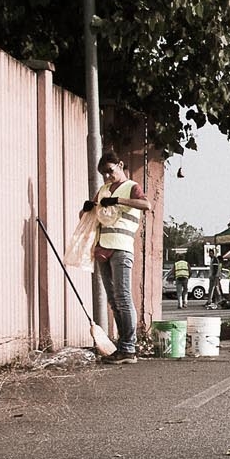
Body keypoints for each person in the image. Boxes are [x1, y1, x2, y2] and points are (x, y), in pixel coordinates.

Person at [84, 153, 151, 362]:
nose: (107, 176)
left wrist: (119, 200)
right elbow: (89, 214)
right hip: (103, 247)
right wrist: (86, 208)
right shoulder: (103, 189)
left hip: (121, 247)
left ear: (120, 165)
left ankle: (128, 347)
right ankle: (123, 346)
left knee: (122, 297)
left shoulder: (131, 186)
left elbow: (146, 205)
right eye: (104, 173)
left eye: (110, 170)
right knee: (113, 300)